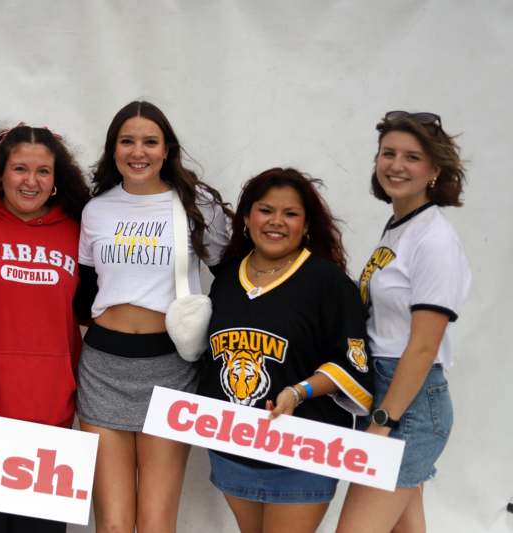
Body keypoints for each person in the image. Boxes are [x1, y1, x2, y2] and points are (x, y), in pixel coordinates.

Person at [76, 100, 231, 532]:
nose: (137, 151)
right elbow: (85, 296)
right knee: (113, 523)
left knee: (157, 522)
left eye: (149, 141)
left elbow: (233, 280)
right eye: (127, 141)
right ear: (113, 149)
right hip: (104, 367)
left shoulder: (198, 206)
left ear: (167, 149)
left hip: (170, 369)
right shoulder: (96, 210)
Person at [196, 167, 374, 533]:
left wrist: (299, 390)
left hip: (302, 448)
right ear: (247, 217)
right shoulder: (228, 279)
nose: (276, 222)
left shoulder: (329, 282)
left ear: (307, 224)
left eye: (290, 214)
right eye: (265, 210)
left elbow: (352, 364)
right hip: (234, 447)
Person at [0, 124, 91, 533]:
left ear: (56, 178)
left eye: (43, 171)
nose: (31, 181)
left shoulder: (77, 227)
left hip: (51, 414)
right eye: (20, 169)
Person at [337, 111, 470, 533]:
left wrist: (383, 423)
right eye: (388, 153)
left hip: (408, 402)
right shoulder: (399, 228)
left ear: (434, 169)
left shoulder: (435, 240)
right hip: (390, 390)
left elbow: (423, 346)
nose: (396, 165)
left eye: (412, 157)